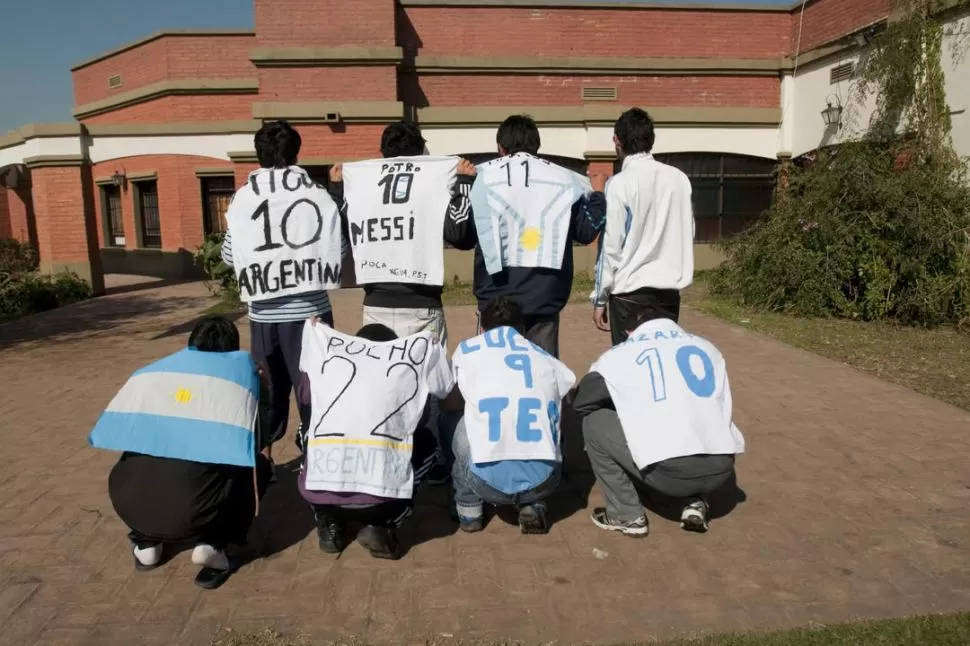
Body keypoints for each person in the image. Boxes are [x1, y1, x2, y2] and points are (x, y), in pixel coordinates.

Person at [326, 120, 477, 484]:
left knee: (382, 381)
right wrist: (463, 187)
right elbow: (461, 235)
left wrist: (335, 189)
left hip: (375, 301)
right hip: (421, 302)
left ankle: (388, 451)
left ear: (382, 153)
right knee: (431, 384)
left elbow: (343, 226)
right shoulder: (432, 180)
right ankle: (431, 457)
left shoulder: (363, 184)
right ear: (421, 152)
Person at [95, 316, 272, 590]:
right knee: (258, 466)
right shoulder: (236, 386)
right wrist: (265, 390)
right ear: (233, 349)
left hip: (128, 502)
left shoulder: (154, 375)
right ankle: (214, 545)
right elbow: (256, 442)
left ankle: (147, 545)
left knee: (148, 455)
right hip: (192, 511)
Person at [221, 120, 343, 464]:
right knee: (316, 394)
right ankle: (318, 464)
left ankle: (264, 465)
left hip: (264, 319)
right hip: (312, 319)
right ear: (296, 153)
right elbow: (339, 252)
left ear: (259, 155)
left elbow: (231, 256)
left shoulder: (241, 199)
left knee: (267, 395)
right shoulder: (318, 196)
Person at [446, 114, 607, 357]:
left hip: (495, 300)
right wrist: (597, 196)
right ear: (537, 147)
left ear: (501, 148)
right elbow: (586, 233)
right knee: (541, 372)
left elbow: (460, 237)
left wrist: (463, 185)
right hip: (545, 297)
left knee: (495, 370)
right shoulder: (565, 179)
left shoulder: (479, 178)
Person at [572, 312, 745, 536]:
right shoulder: (707, 348)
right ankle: (696, 502)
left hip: (672, 475)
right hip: (721, 469)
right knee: (698, 416)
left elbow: (583, 403)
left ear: (629, 331)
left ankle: (626, 514)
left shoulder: (619, 355)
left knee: (595, 423)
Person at [296, 321, 458, 559]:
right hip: (381, 497)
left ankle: (329, 523)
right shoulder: (402, 374)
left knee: (306, 431)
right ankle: (382, 524)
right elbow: (420, 421)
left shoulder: (329, 365)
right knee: (426, 444)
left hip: (320, 489)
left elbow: (305, 399)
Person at [449, 297, 576, 535]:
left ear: (483, 329)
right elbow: (565, 416)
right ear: (523, 330)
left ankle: (469, 511)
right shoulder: (546, 357)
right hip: (547, 480)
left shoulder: (467, 350)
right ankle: (533, 502)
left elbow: (451, 404)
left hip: (485, 484)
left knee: (456, 418)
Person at [592, 108, 695, 346]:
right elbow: (688, 230)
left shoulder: (619, 184)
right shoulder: (678, 178)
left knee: (630, 370)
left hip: (629, 296)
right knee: (661, 364)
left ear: (617, 141)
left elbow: (610, 246)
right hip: (668, 295)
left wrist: (600, 298)